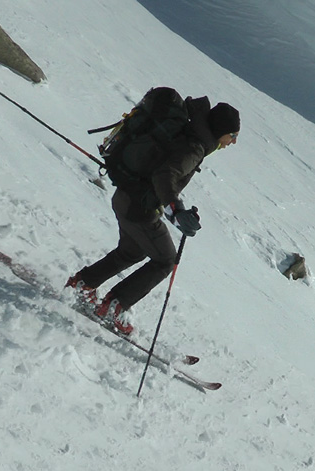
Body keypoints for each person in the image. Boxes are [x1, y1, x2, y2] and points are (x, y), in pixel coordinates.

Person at [65, 97, 240, 335]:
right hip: (139, 208)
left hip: (126, 197)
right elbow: (165, 174)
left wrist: (175, 207)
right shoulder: (195, 145)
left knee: (132, 251)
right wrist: (176, 210)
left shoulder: (193, 135)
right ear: (221, 131)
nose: (233, 141)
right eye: (232, 135)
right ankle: (114, 307)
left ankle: (84, 283)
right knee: (166, 259)